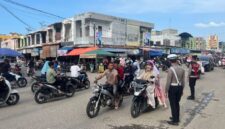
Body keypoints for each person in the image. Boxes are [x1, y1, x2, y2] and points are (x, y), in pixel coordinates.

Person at [165, 54, 185, 126]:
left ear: (170, 61)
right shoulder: (182, 69)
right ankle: (176, 117)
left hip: (173, 88)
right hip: (179, 88)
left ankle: (175, 121)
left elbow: (168, 82)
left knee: (173, 104)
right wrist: (182, 90)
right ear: (176, 60)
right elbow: (183, 81)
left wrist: (166, 91)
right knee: (177, 103)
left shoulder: (171, 69)